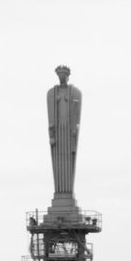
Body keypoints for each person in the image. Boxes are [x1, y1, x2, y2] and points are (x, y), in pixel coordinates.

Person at [46, 65, 82, 209]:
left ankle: (67, 193)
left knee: (69, 160)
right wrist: (51, 133)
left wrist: (74, 129)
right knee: (57, 161)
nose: (61, 77)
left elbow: (77, 112)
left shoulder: (75, 92)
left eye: (64, 75)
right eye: (59, 75)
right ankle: (60, 194)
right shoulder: (51, 93)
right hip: (57, 130)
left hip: (69, 130)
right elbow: (50, 113)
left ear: (68, 76)